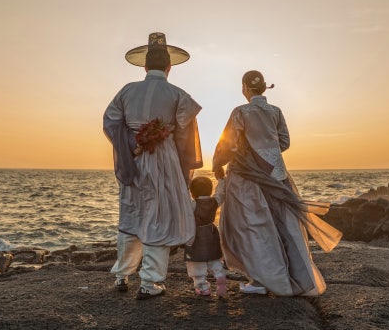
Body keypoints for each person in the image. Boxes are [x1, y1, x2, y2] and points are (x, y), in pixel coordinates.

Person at [212, 70, 342, 296]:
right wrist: (268, 155)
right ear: (264, 88)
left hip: (247, 176)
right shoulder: (276, 111)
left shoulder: (240, 112)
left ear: (245, 87)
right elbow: (284, 142)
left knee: (252, 227)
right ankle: (293, 277)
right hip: (279, 175)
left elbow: (229, 145)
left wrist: (219, 163)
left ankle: (262, 280)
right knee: (283, 226)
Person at [103, 32, 203, 300]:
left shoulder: (126, 90)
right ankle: (150, 283)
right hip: (164, 160)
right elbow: (186, 139)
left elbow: (111, 123)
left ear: (145, 67)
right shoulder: (178, 94)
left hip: (132, 159)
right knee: (158, 218)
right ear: (169, 68)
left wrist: (131, 145)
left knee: (131, 213)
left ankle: (121, 275)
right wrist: (184, 173)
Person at [184, 176, 227, 297]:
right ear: (210, 190)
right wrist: (222, 180)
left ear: (192, 192)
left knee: (196, 262)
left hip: (196, 236)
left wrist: (185, 183)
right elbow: (221, 193)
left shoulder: (192, 204)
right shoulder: (214, 201)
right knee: (214, 258)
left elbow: (183, 198)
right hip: (211, 233)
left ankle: (203, 288)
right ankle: (220, 278)